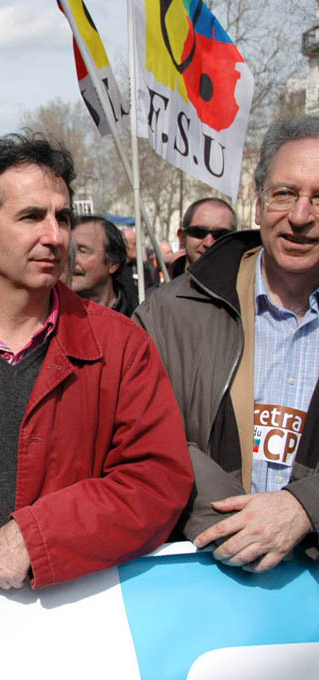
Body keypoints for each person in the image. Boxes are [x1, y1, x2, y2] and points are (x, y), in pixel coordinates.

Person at [0, 133, 192, 593]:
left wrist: (39, 536)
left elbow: (157, 480)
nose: (54, 236)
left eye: (62, 217)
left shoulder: (122, 345)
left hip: (68, 614)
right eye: (31, 217)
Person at [134, 114, 319, 571]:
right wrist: (241, 527)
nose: (300, 217)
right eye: (285, 194)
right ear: (258, 204)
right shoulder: (168, 314)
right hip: (205, 576)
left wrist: (305, 507)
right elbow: (143, 436)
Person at [71, 215, 137, 316]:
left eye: (83, 251)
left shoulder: (136, 315)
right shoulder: (50, 313)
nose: (72, 259)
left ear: (113, 264)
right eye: (70, 250)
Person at [168, 197, 237, 277]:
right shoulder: (164, 288)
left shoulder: (247, 287)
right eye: (199, 232)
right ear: (182, 237)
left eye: (220, 234)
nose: (208, 243)